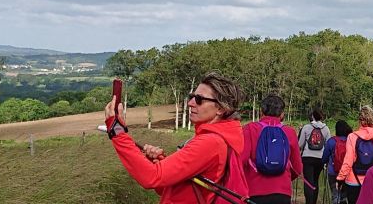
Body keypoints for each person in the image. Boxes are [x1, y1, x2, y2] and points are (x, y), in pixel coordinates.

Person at [104, 73, 249, 204]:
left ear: (221, 109)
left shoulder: (210, 142)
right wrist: (156, 162)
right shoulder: (220, 138)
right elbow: (168, 187)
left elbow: (151, 178)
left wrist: (118, 132)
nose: (191, 103)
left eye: (199, 99)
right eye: (191, 96)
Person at [241, 94, 303, 204]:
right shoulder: (290, 132)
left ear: (261, 111)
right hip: (282, 193)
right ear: (282, 113)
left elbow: (241, 161)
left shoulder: (249, 129)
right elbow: (297, 168)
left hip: (255, 192)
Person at [336, 106, 373, 203]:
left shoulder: (352, 137)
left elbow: (348, 161)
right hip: (371, 180)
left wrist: (340, 178)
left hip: (353, 181)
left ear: (360, 120)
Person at [298, 109, 329, 204]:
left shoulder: (306, 127)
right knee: (315, 181)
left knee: (308, 182)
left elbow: (300, 144)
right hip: (320, 158)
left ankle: (309, 202)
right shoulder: (326, 128)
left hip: (307, 157)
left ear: (312, 117)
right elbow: (328, 145)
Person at [322, 120, 352, 204]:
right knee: (344, 195)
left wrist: (324, 163)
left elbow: (324, 157)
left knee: (335, 194)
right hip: (346, 172)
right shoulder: (350, 141)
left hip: (333, 172)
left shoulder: (331, 141)